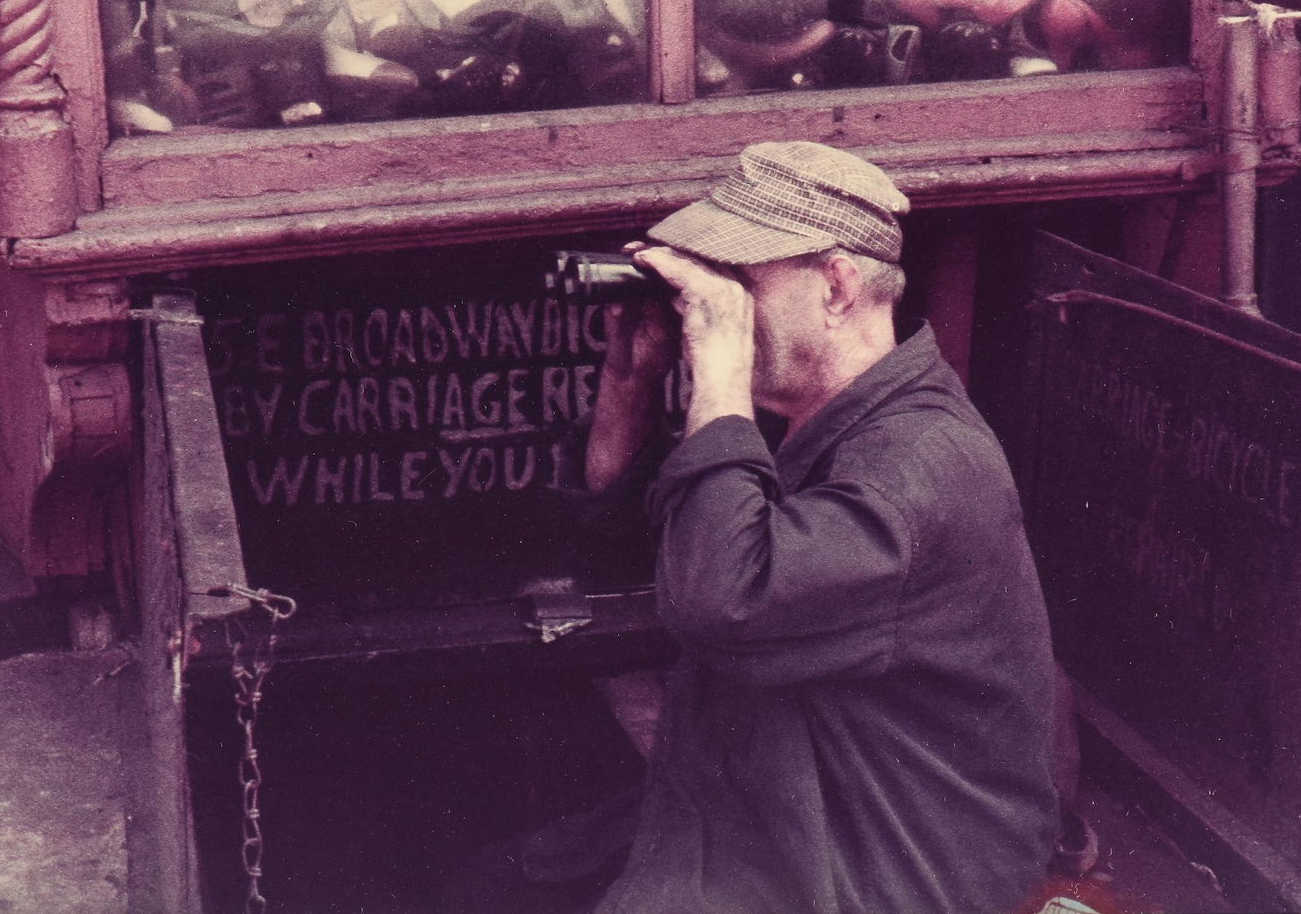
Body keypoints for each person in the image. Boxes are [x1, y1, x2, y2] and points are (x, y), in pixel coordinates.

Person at [449, 141, 1061, 914]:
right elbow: (662, 560)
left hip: (877, 869)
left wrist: (721, 375)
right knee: (488, 883)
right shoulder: (820, 421)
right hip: (772, 805)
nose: (715, 308)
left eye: (740, 283)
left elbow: (722, 602)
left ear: (837, 286)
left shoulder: (917, 465)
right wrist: (629, 388)